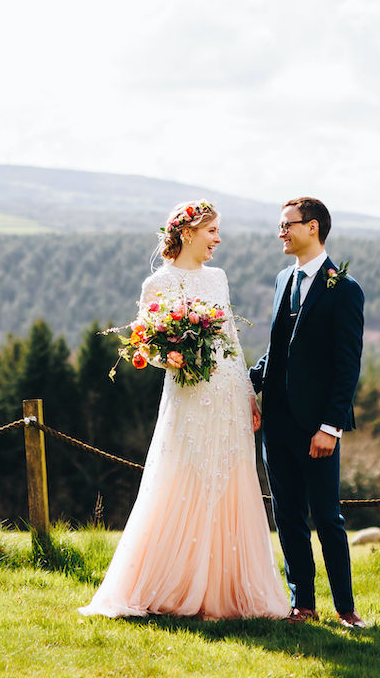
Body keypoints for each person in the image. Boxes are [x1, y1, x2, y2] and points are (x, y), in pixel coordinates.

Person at [80, 201, 290, 619]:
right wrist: (166, 358)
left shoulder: (218, 278)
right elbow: (145, 344)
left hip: (228, 391)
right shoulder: (158, 283)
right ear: (189, 232)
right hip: (189, 393)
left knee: (230, 477)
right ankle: (171, 584)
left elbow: (231, 337)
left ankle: (227, 590)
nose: (217, 239)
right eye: (212, 231)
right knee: (185, 474)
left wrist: (249, 394)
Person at [249, 196, 367, 628]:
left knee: (327, 518)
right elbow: (278, 347)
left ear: (312, 227)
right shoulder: (284, 279)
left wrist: (330, 426)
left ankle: (346, 609)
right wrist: (246, 381)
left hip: (318, 427)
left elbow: (347, 365)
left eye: (287, 225)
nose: (280, 232)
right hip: (276, 422)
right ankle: (302, 605)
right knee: (287, 516)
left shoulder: (345, 289)